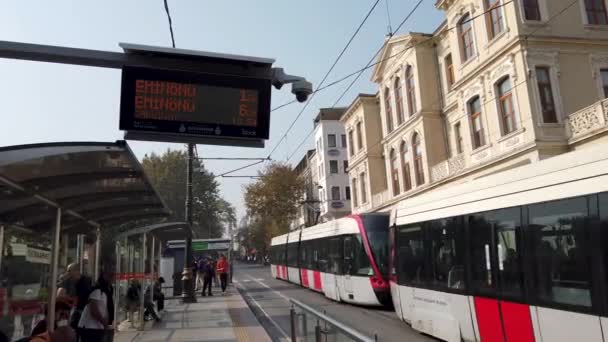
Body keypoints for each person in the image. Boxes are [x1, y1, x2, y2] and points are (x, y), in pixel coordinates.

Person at [77, 271, 114, 342]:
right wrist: (104, 323)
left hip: (97, 327)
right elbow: (94, 310)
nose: (113, 278)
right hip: (89, 327)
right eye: (111, 276)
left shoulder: (106, 291)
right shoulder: (97, 290)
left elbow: (104, 309)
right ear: (105, 276)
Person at [57, 263, 92, 331]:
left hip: (83, 313)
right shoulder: (70, 281)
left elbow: (78, 299)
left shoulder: (85, 282)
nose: (68, 273)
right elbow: (59, 294)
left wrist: (66, 297)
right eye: (67, 271)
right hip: (75, 312)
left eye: (69, 271)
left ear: (77, 271)